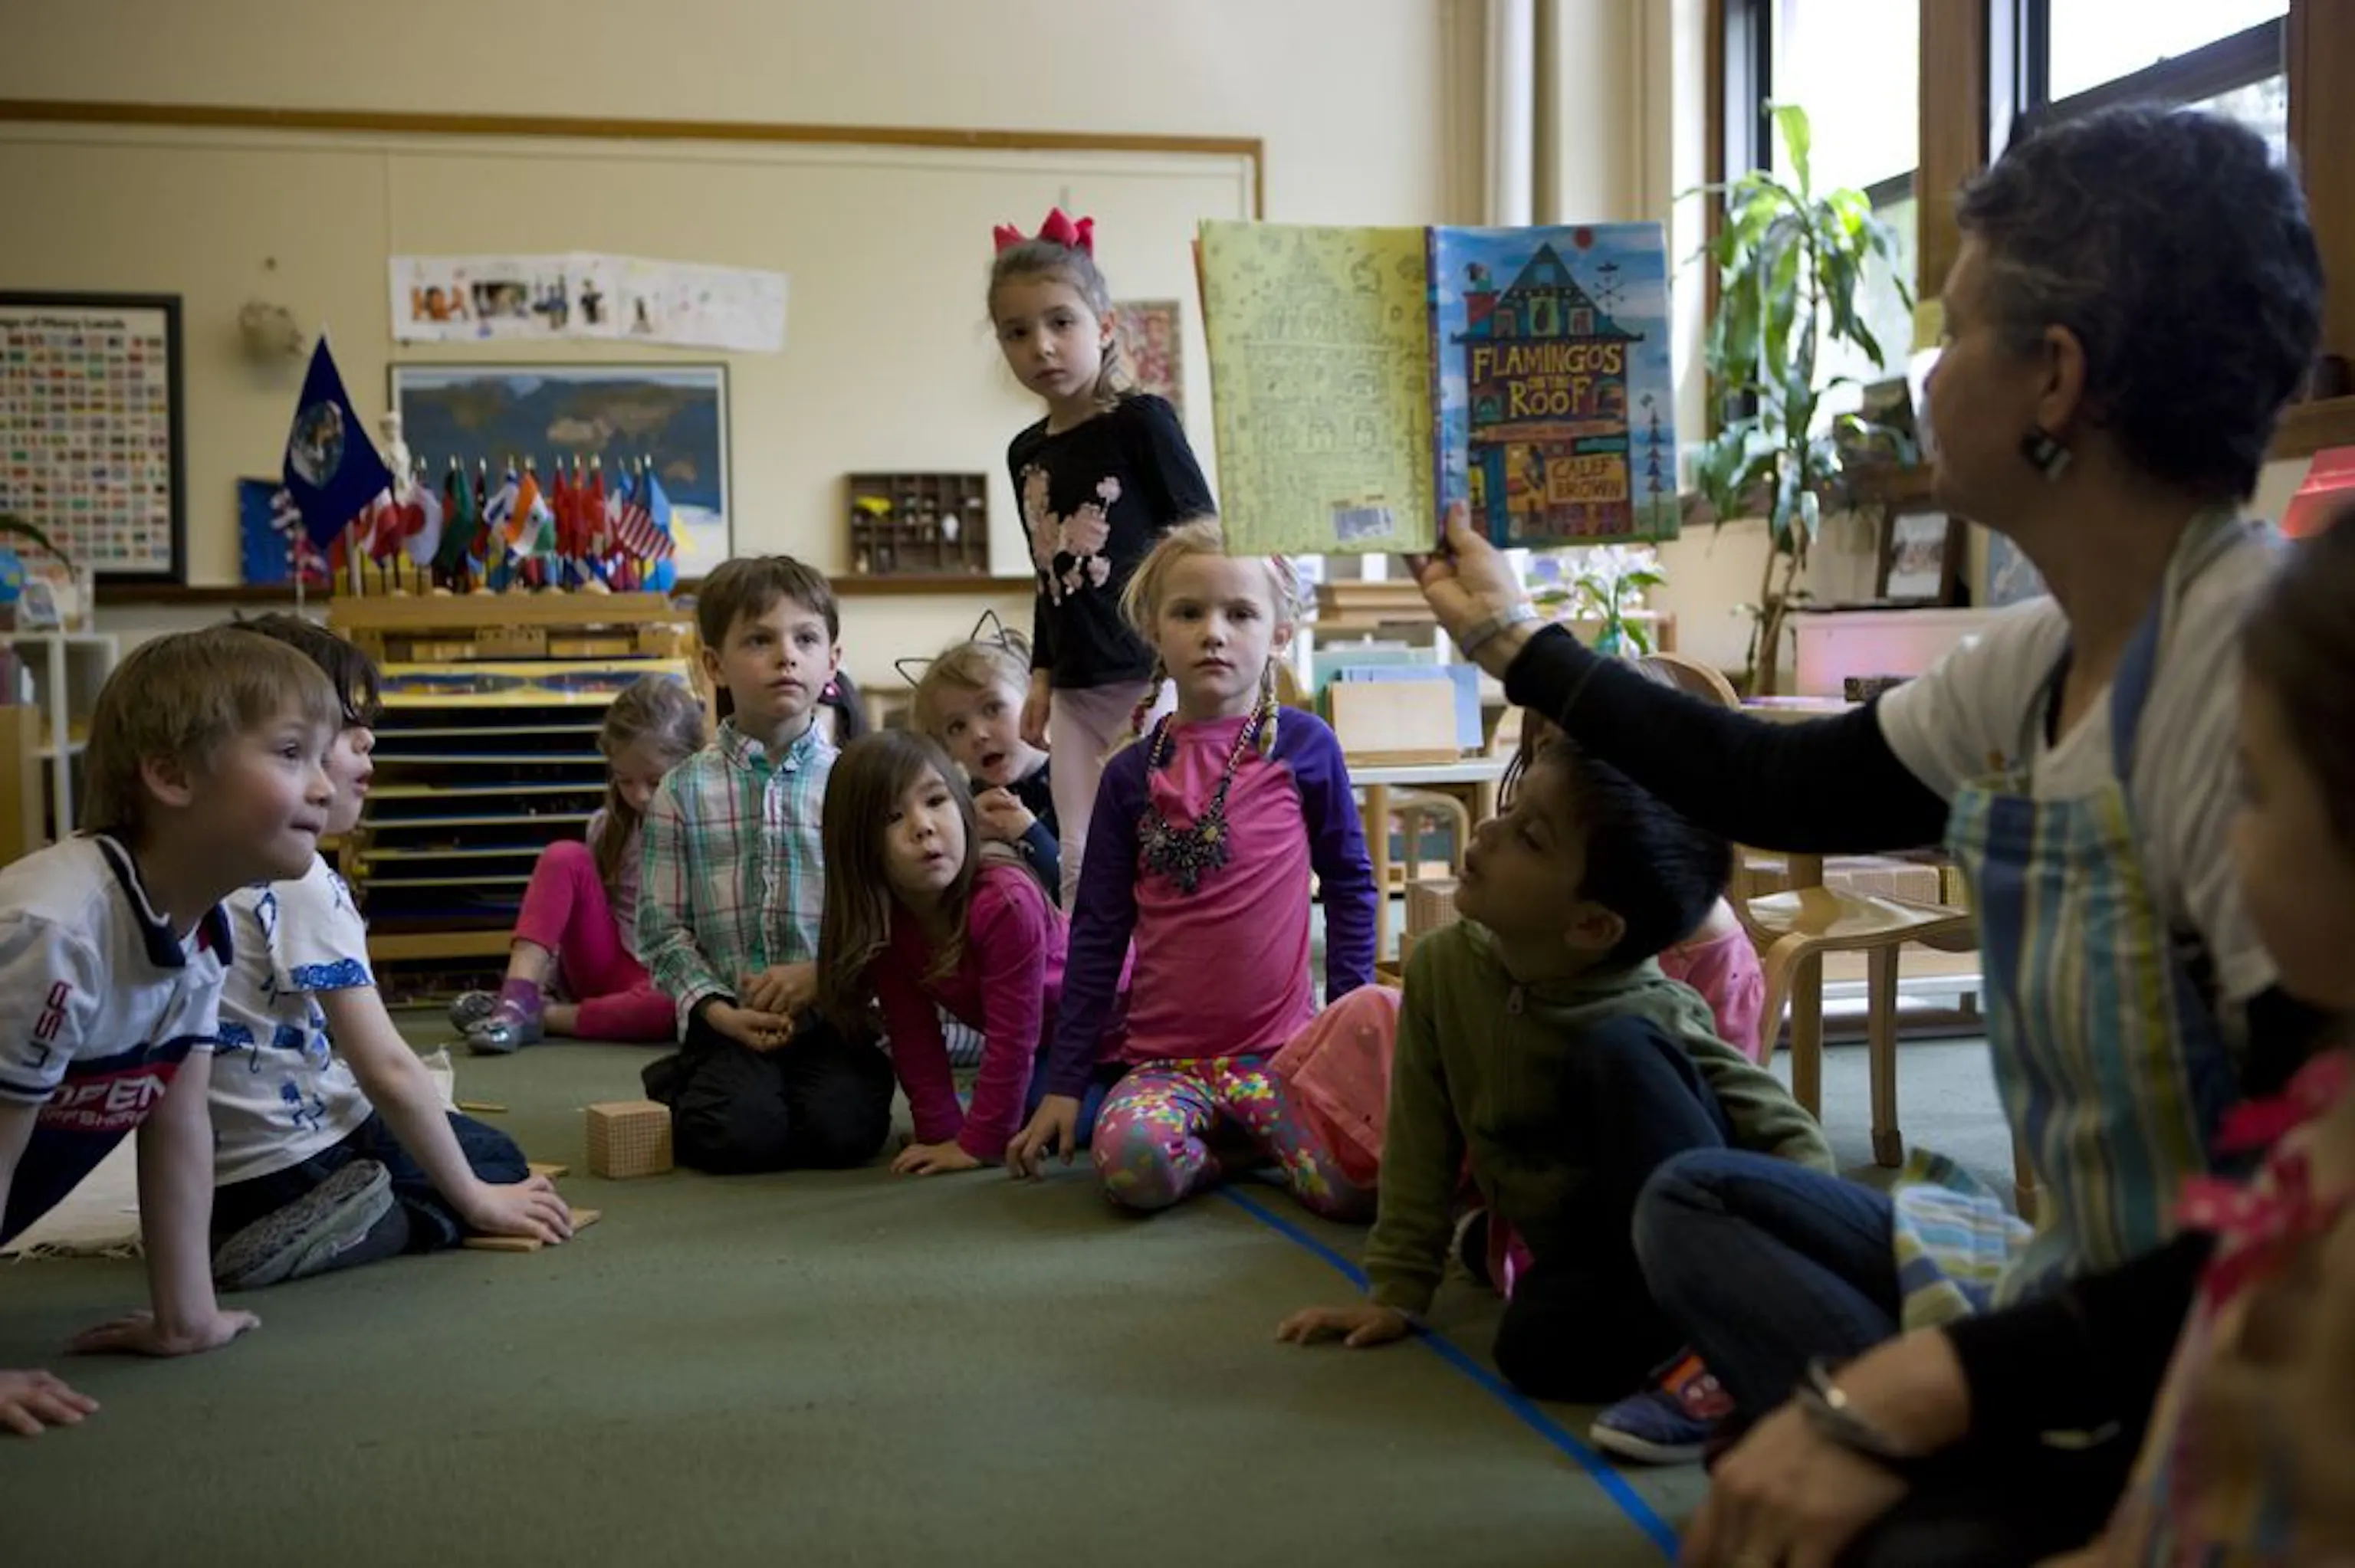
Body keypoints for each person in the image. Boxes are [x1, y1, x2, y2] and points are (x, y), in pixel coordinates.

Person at [1411, 103, 2327, 1532]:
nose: (1924, 374)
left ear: (2054, 379)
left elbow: (2304, 1225)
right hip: (2072, 1290)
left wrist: (1924, 1386)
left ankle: (1990, 1490)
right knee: (1699, 1206)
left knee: (1882, 1502)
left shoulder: (2257, 682)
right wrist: (1515, 645)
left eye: (1952, 331)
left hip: (2234, 1346)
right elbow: (1774, 784)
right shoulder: (2041, 659)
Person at [1680, 507, 2355, 1568]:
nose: (2223, 835)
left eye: (2256, 791)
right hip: (2076, 1321)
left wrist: (1910, 1403)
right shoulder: (2321, 1133)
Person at [1276, 740, 1833, 1406]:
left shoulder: (1652, 1009)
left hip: (1694, 1234)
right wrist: (1396, 1292)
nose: (1489, 830)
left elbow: (1788, 1133)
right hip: (1590, 1251)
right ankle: (1683, 1339)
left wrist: (1804, 1261)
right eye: (1510, 809)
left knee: (1621, 1052)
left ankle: (1732, 1325)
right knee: (1529, 1351)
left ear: (1592, 926)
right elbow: (1421, 1139)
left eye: (1529, 838)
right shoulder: (1444, 969)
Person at [0, 629, 340, 1435]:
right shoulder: (55, 931)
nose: (325, 787)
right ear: (172, 775)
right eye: (292, 753)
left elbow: (179, 1125)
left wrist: (188, 1317)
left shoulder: (198, 930)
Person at [1008, 521, 1378, 1219]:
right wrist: (1067, 1083)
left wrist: (1345, 1031)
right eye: (1188, 613)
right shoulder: (1129, 774)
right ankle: (1234, 1153)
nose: (1214, 633)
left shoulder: (1304, 747)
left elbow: (1351, 887)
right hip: (1164, 1066)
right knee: (1135, 1170)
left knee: (1356, 1185)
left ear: (1278, 633)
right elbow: (1099, 932)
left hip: (1282, 1058)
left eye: (1240, 614)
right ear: (1153, 630)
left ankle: (1245, 1143)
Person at [205, 615, 572, 1288]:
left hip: (217, 1181)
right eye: (344, 725)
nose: (368, 740)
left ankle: (271, 1224)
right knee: (496, 1163)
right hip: (300, 1161)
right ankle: (375, 1221)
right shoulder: (301, 880)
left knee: (433, 1127)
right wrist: (477, 1201)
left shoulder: (203, 862)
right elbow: (387, 1068)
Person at [636, 556, 895, 1173]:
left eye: (805, 639)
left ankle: (792, 1094)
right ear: (713, 665)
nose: (786, 657)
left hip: (833, 1017)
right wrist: (717, 1011)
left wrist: (824, 975)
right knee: (737, 1137)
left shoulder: (857, 784)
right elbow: (661, 930)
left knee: (846, 1133)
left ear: (832, 660)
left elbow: (886, 913)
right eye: (759, 640)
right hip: (728, 1018)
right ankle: (689, 1080)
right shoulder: (682, 790)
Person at [991, 205, 1217, 910]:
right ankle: (1089, 978)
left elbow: (1203, 537)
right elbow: (1047, 572)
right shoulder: (1025, 453)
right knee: (1083, 860)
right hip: (1075, 688)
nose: (1042, 346)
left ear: (1106, 326)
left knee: (1161, 844)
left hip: (1151, 675)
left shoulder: (1140, 422)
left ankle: (1174, 967)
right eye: (1017, 332)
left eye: (1061, 322)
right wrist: (1040, 674)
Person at [817, 731, 1099, 1173]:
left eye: (936, 801)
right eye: (892, 816)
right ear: (857, 845)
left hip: (1115, 1031)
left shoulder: (1005, 901)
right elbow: (912, 1033)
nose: (923, 826)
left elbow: (1012, 1038)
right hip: (1053, 1043)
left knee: (1031, 1118)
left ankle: (1145, 1086)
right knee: (1019, 1102)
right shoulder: (889, 923)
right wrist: (940, 1131)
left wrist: (979, 1144)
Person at [455, 673, 707, 1051]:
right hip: (606, 966)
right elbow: (568, 917)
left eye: (656, 781)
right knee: (563, 856)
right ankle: (516, 1000)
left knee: (676, 1004)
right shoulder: (608, 829)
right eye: (625, 781)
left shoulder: (714, 828)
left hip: (667, 980)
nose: (640, 796)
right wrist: (541, 982)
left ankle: (544, 1016)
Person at [908, 616, 1060, 901]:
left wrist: (1028, 832)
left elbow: (1090, 892)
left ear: (1032, 700)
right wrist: (962, 834)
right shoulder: (961, 807)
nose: (978, 734)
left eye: (993, 708)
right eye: (957, 727)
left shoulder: (1080, 783)